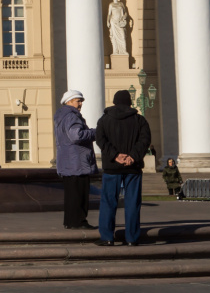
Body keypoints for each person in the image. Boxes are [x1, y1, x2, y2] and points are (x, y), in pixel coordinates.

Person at [94, 89, 151, 247]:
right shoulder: (140, 120)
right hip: (133, 168)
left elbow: (100, 140)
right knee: (132, 203)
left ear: (114, 102)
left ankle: (107, 237)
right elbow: (145, 140)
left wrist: (115, 156)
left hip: (112, 167)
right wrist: (132, 156)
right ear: (129, 102)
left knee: (108, 202)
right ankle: (132, 238)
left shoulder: (104, 120)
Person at [53, 89, 96, 230]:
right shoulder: (72, 116)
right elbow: (76, 135)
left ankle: (70, 222)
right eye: (78, 100)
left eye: (81, 101)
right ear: (69, 101)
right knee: (80, 194)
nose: (81, 104)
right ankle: (79, 221)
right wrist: (94, 132)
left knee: (71, 195)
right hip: (78, 162)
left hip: (67, 162)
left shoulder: (61, 116)